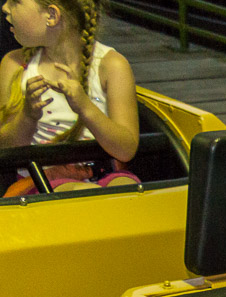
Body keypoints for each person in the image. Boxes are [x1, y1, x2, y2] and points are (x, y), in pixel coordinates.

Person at [0, 0, 139, 195]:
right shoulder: (15, 65)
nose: (5, 7)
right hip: (40, 181)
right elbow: (6, 147)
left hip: (106, 172)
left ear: (51, 15)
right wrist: (28, 116)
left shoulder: (112, 65)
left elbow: (126, 149)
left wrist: (85, 107)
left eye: (15, 1)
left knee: (127, 191)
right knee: (78, 195)